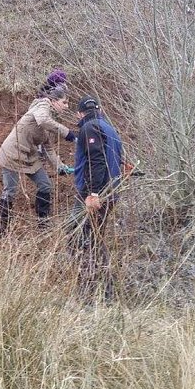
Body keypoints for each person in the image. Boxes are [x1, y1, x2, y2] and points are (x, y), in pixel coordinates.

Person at [0, 86, 76, 233]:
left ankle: (43, 224)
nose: (67, 106)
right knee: (10, 192)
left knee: (45, 185)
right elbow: (43, 120)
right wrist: (68, 133)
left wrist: (60, 166)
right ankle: (2, 229)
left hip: (29, 156)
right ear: (53, 100)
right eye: (64, 102)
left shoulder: (49, 116)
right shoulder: (43, 105)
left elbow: (48, 148)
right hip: (12, 153)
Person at [69, 95, 124, 299]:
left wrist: (92, 193)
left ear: (79, 114)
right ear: (99, 109)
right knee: (91, 236)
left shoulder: (89, 128)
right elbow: (118, 157)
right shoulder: (109, 128)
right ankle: (103, 289)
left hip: (96, 193)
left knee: (82, 235)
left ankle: (91, 290)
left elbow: (97, 160)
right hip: (111, 191)